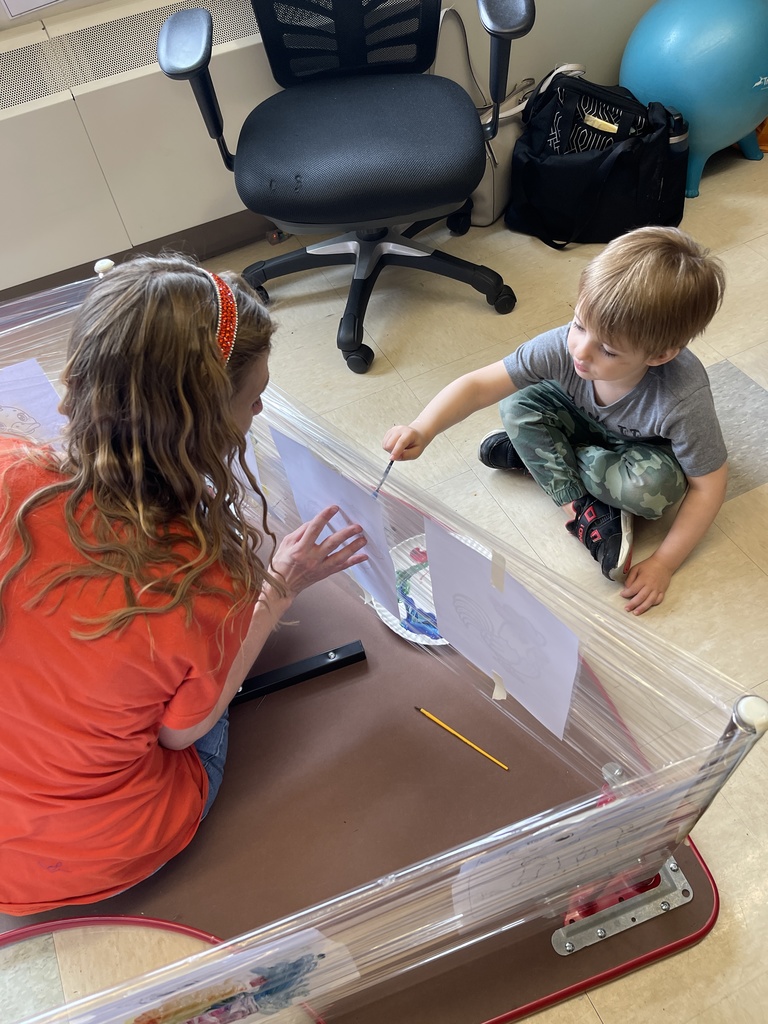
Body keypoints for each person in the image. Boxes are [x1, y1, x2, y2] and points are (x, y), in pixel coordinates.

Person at [0, 254, 368, 915]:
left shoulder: (7, 469)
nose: (262, 405)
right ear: (197, 427)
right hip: (99, 850)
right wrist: (279, 586)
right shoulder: (200, 576)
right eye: (253, 395)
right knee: (200, 714)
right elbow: (178, 736)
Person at [383, 227, 727, 616]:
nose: (580, 351)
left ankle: (540, 455)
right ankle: (582, 507)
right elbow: (480, 385)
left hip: (639, 451)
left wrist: (664, 563)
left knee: (656, 489)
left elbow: (708, 486)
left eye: (608, 350)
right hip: (578, 418)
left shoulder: (682, 397)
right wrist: (422, 427)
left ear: (661, 355)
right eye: (579, 325)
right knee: (516, 405)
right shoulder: (564, 346)